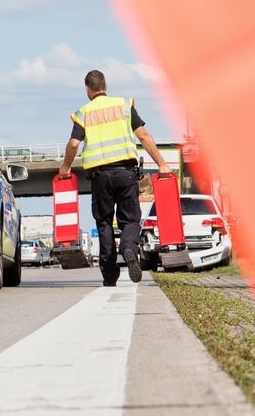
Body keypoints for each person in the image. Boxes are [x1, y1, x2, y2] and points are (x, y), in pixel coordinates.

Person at [58, 70, 171, 286]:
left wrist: (65, 167)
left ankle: (110, 275)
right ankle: (129, 248)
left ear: (87, 89)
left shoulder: (83, 113)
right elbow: (144, 135)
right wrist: (161, 164)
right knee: (130, 220)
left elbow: (74, 144)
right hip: (126, 173)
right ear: (105, 86)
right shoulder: (124, 105)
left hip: (100, 177)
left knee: (104, 223)